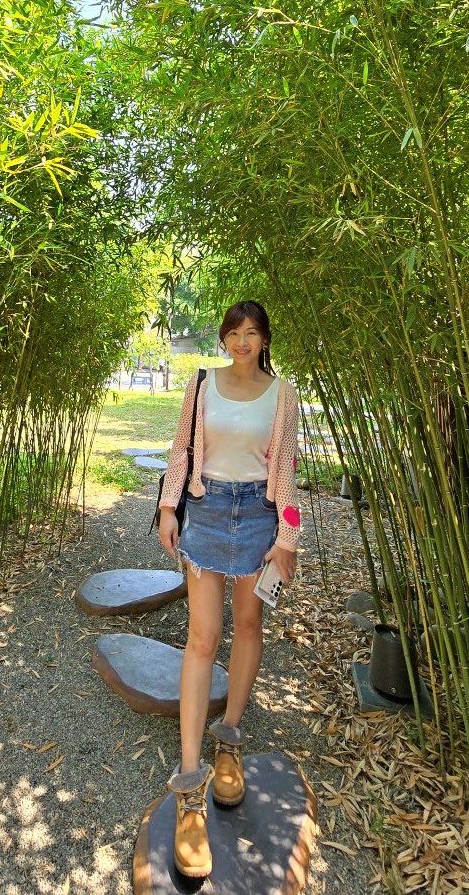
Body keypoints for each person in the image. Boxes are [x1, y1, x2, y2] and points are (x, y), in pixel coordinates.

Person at [157, 300, 300, 878]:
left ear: (265, 340)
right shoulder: (201, 383)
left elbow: (285, 463)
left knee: (248, 625)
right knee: (201, 635)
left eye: (253, 333)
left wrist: (288, 536)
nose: (243, 342)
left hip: (260, 515)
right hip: (208, 509)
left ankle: (230, 740)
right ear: (224, 339)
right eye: (234, 333)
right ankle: (191, 783)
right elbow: (182, 448)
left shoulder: (283, 394)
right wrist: (169, 506)